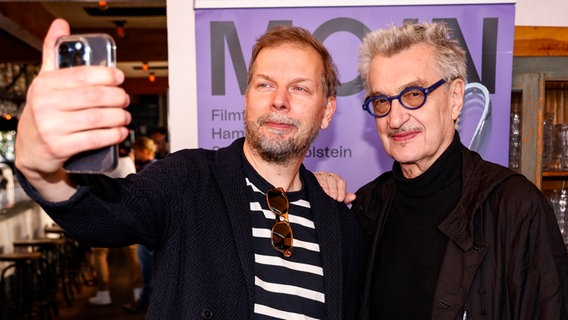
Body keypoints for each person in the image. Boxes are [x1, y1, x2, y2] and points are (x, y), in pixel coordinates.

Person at [14, 19, 358, 319]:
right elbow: (109, 216)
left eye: (299, 88)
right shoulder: (189, 178)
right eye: (265, 84)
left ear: (326, 111)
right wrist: (41, 172)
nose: (279, 99)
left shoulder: (337, 217)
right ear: (247, 97)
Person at [350, 21, 568, 319]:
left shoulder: (515, 207)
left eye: (414, 94)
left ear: (455, 98)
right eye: (381, 101)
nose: (395, 118)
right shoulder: (367, 207)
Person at [88, 144, 142, 306]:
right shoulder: (128, 161)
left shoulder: (100, 162)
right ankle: (138, 291)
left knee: (99, 252)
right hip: (128, 210)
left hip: (104, 209)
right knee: (132, 252)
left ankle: (104, 292)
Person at [123, 136, 158, 313]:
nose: (134, 154)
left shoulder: (148, 170)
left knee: (146, 263)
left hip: (150, 226)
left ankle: (146, 300)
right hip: (154, 225)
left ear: (144, 151)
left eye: (136, 151)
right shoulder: (155, 166)